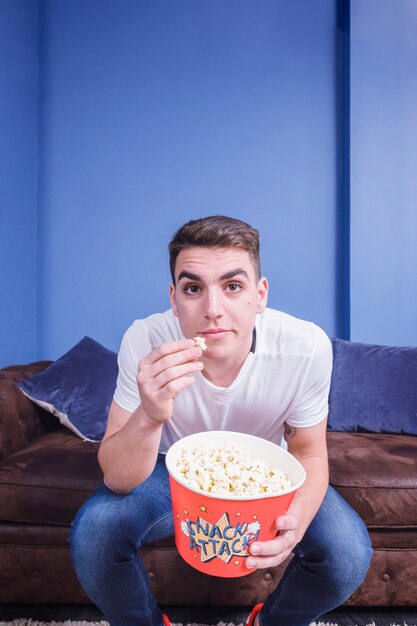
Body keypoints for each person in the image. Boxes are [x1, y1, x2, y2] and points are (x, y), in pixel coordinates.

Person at [69, 215, 372, 626]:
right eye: (193, 288)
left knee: (348, 553)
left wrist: (294, 526)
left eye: (233, 286)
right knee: (94, 534)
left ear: (259, 295)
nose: (213, 310)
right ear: (174, 298)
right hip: (169, 469)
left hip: (266, 474)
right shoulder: (145, 341)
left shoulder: (305, 348)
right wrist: (150, 414)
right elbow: (118, 478)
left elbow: (309, 454)